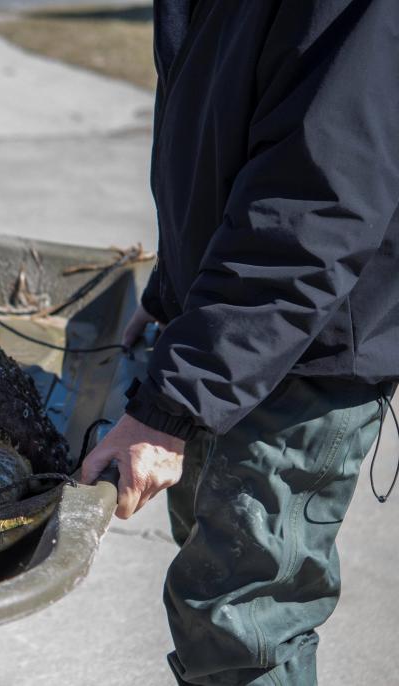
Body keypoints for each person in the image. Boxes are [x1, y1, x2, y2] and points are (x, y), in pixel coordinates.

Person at [80, 1, 399, 684]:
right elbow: (225, 132)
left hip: (297, 355)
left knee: (239, 628)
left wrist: (174, 403)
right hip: (229, 337)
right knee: (215, 606)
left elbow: (313, 205)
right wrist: (173, 291)